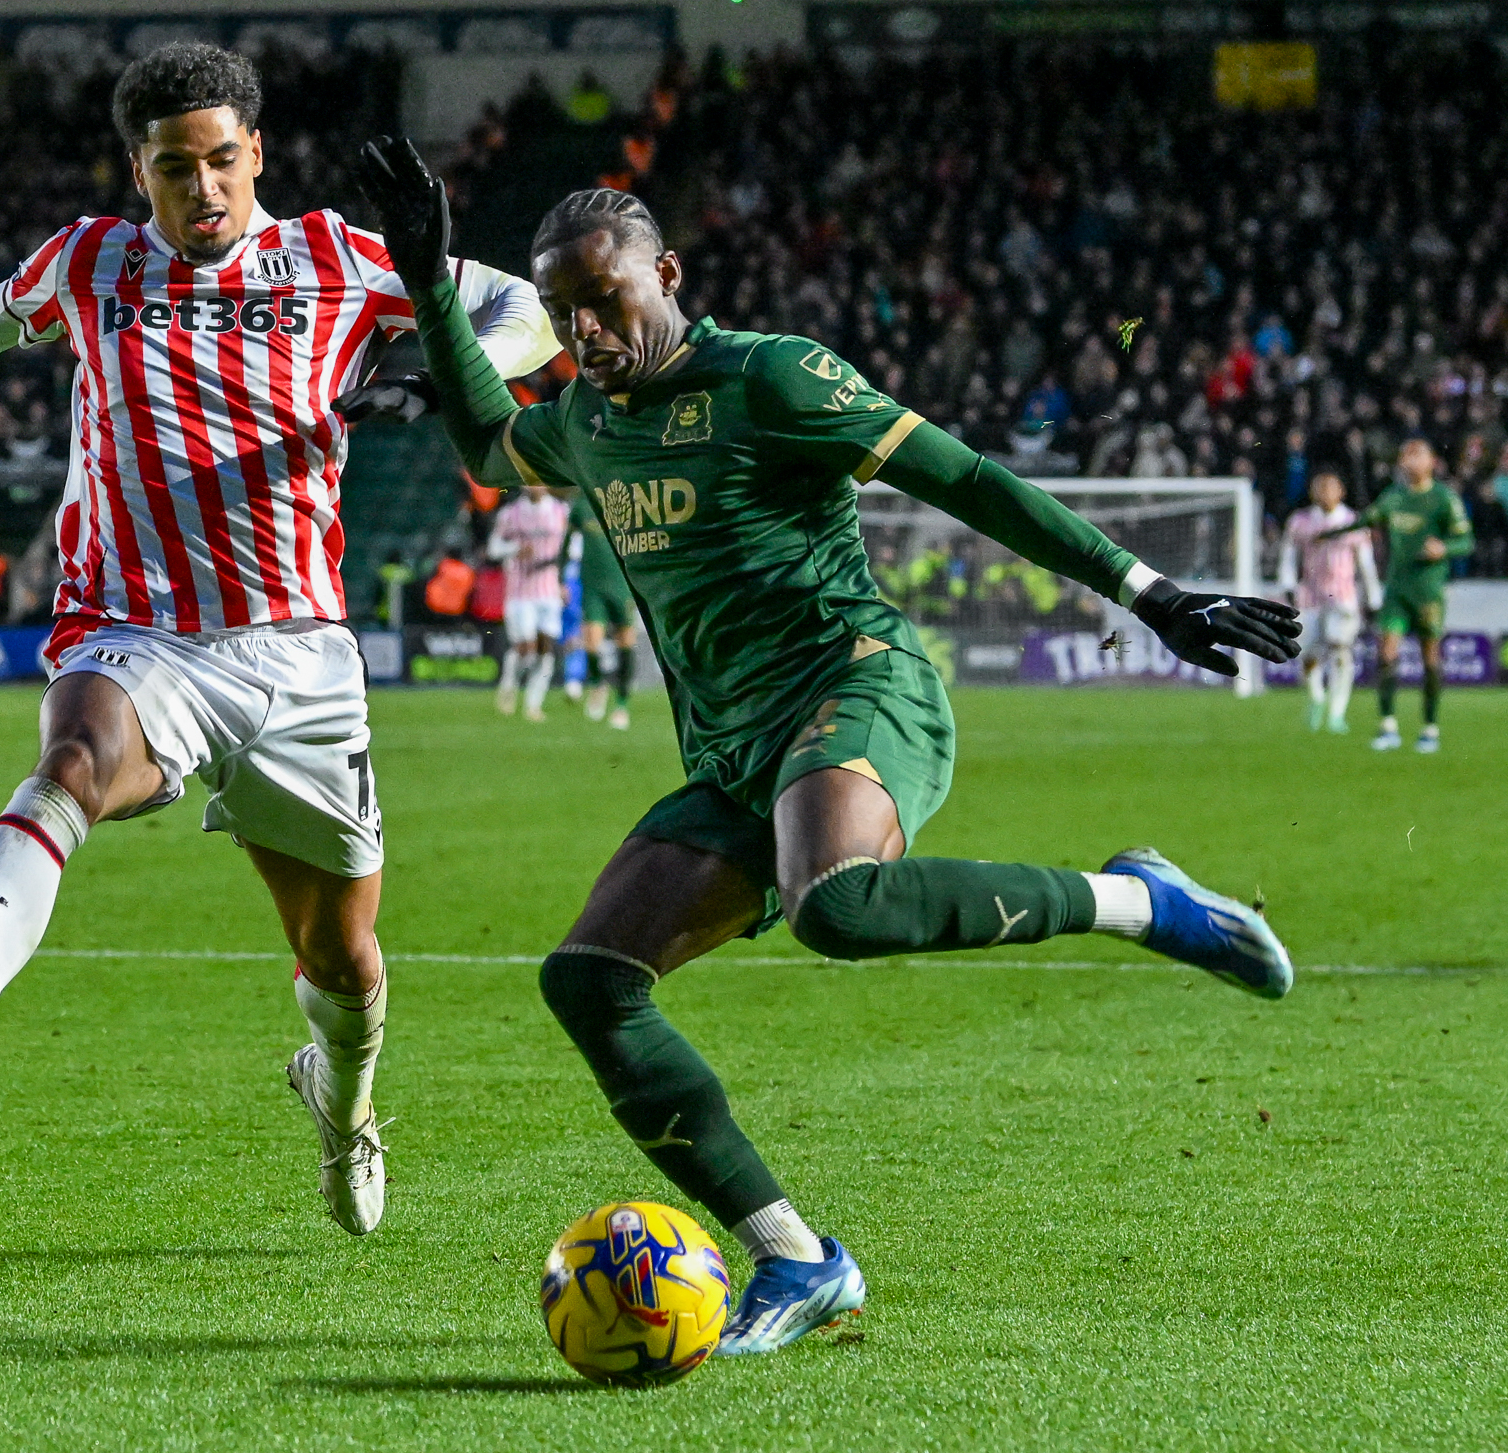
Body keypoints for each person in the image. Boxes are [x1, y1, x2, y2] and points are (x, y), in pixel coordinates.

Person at [357, 144, 1300, 1353]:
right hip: (734, 753)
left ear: (669, 273)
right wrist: (431, 283)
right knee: (588, 981)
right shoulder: (587, 420)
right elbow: (493, 448)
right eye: (563, 313)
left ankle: (1139, 901)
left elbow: (965, 477)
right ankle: (796, 1260)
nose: (587, 332)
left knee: (838, 905)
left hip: (857, 686)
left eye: (608, 299)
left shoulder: (772, 378)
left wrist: (1146, 587)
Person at [0, 46, 558, 1238]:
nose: (204, 189)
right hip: (139, 634)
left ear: (258, 154)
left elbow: (529, 311)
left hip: (301, 656)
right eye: (175, 168)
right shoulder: (91, 263)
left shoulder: (339, 260)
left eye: (223, 162)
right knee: (71, 767)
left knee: (345, 968)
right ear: (138, 170)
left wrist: (433, 364)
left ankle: (343, 1110)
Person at [1321, 438, 1474, 753]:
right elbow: (1363, 521)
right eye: (1405, 455)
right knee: (1386, 654)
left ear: (1431, 461)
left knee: (1431, 659)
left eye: (1416, 455)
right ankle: (1388, 725)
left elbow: (1467, 541)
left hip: (1428, 592)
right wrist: (1324, 535)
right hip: (1397, 590)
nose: (1408, 460)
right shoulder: (1394, 497)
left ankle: (1430, 728)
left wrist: (1444, 548)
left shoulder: (1444, 499)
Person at [1278, 471, 1379, 733]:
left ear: (1341, 492)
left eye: (1330, 487)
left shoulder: (1353, 521)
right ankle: (1317, 699)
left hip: (1343, 597)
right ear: (1312, 493)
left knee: (1340, 650)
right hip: (1310, 596)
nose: (1324, 492)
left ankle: (1337, 713)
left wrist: (1374, 597)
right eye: (1319, 487)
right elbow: (1289, 555)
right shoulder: (1300, 521)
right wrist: (1287, 585)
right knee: (1308, 654)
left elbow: (1366, 563)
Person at [488, 483, 569, 719]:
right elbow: (493, 548)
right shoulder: (510, 513)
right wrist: (514, 548)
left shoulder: (561, 511)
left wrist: (566, 581)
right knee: (526, 648)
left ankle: (533, 704)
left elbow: (571, 548)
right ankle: (508, 685)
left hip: (549, 591)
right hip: (520, 592)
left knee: (546, 649)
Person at [566, 488, 639, 727]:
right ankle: (598, 684)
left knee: (625, 644)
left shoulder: (629, 500)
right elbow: (565, 544)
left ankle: (622, 705)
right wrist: (559, 578)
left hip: (622, 585)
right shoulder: (581, 505)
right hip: (592, 585)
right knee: (591, 643)